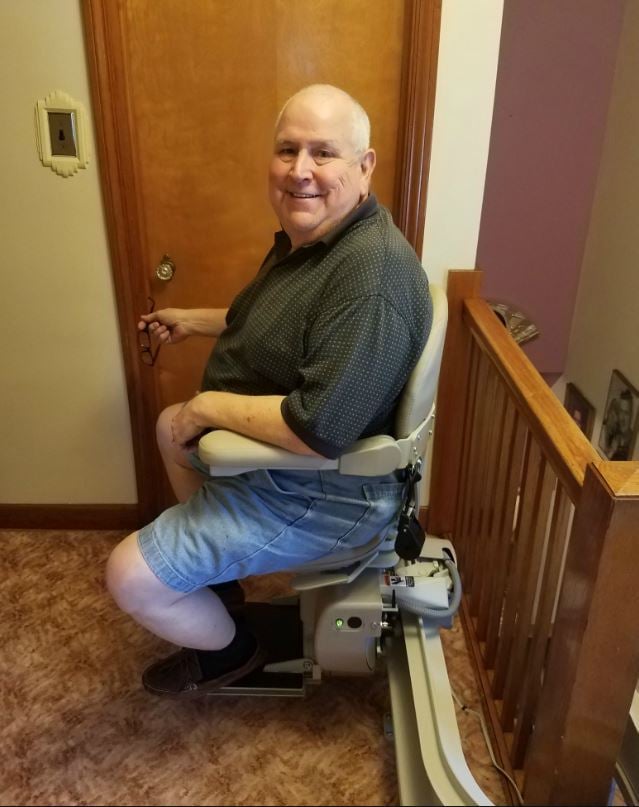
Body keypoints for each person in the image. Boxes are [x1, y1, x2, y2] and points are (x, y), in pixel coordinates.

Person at [106, 84, 433, 696]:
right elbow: (278, 324)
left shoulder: (372, 277)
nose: (301, 170)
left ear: (365, 168)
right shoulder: (314, 245)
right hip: (300, 473)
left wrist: (209, 407)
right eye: (288, 149)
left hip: (327, 494)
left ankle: (232, 652)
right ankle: (217, 577)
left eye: (323, 153)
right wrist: (196, 320)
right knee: (170, 425)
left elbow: (320, 427)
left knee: (130, 576)